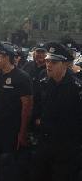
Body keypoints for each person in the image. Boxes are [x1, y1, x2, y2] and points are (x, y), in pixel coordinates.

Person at [33, 42, 81, 181]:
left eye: (54, 62)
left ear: (65, 64)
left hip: (66, 145)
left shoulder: (76, 88)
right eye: (48, 61)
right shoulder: (44, 81)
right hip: (45, 141)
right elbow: (37, 104)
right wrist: (37, 119)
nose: (48, 65)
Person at [0, 40, 33, 181]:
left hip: (12, 131)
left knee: (9, 167)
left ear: (6, 58)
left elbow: (27, 106)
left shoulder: (22, 77)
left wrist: (22, 132)